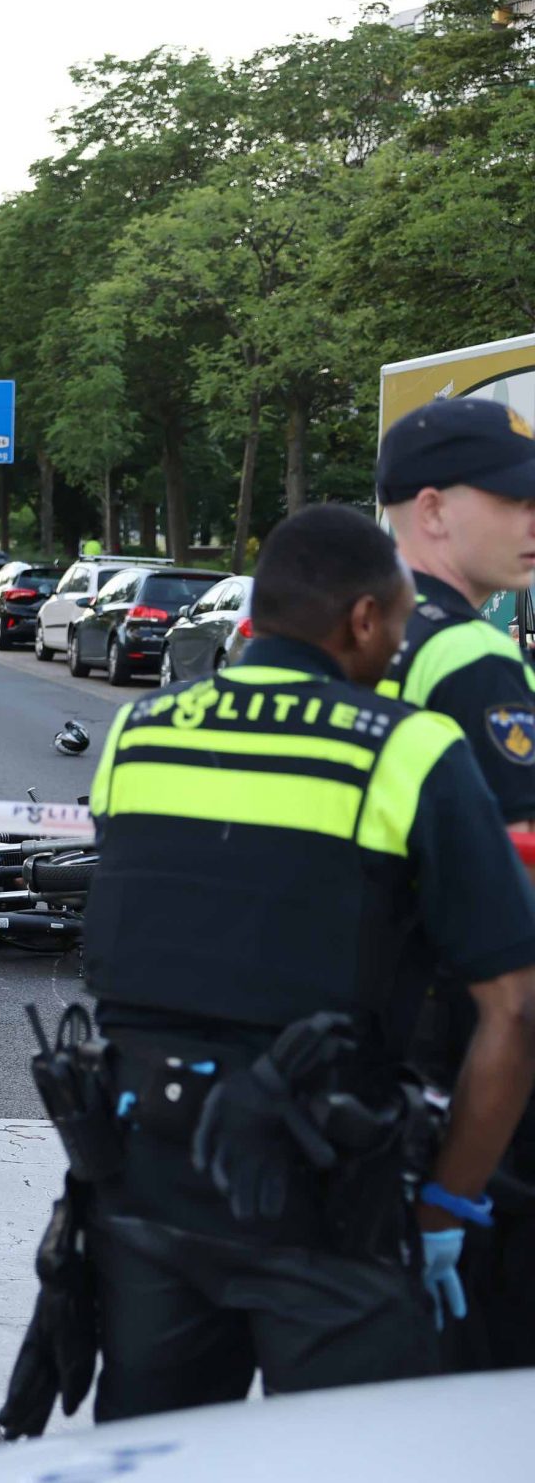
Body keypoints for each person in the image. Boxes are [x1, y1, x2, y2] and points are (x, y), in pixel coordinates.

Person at [76, 504, 535, 1419]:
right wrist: (450, 1209)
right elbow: (515, 1010)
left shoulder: (139, 734)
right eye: (401, 623)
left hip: (148, 1185)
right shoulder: (406, 748)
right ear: (364, 619)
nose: (400, 643)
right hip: (331, 1202)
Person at [375, 398, 535, 1367]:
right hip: (472, 1046)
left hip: (354, 1038)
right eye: (516, 501)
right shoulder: (468, 652)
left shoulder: (333, 628)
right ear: (432, 509)